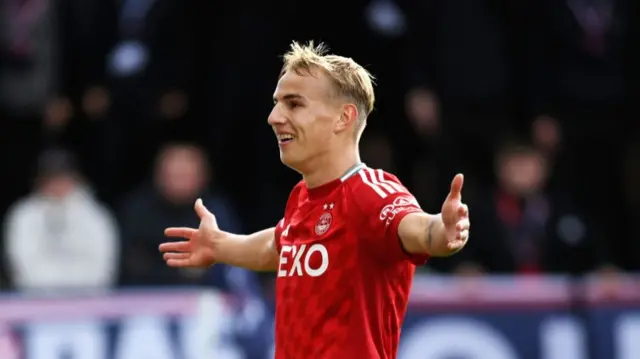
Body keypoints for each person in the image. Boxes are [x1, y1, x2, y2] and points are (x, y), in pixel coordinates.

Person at [159, 41, 471, 359]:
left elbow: (415, 229)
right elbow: (280, 245)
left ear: (343, 118)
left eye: (293, 104)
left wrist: (442, 232)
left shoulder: (371, 192)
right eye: (277, 103)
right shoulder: (302, 197)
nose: (273, 117)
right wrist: (220, 246)